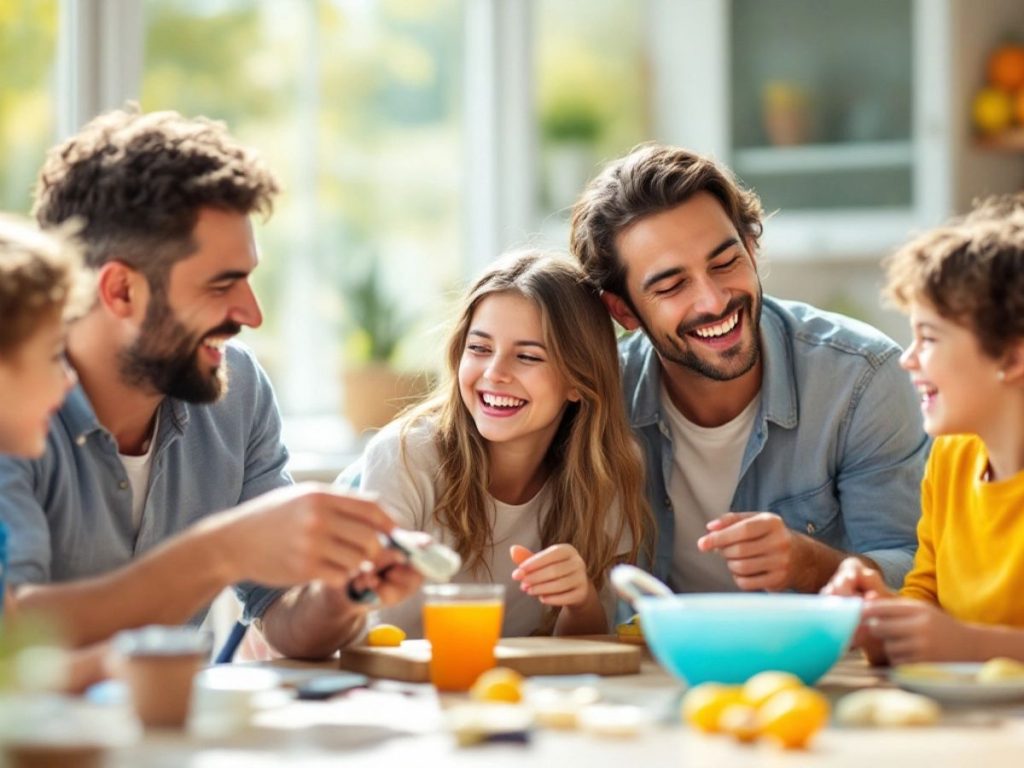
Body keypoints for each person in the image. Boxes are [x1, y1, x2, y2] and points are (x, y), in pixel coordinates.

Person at [0, 107, 420, 660]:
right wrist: (223, 550)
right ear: (122, 290)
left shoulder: (236, 389)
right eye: (223, 285)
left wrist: (344, 593)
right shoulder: (16, 403)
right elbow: (14, 635)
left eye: (249, 277)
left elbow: (285, 616)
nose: (252, 312)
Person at [569, 143, 928, 594]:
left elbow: (915, 571)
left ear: (752, 249)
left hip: (814, 662)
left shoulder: (862, 379)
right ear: (623, 311)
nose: (714, 300)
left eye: (725, 263)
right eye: (672, 285)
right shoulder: (603, 401)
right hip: (654, 661)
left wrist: (812, 564)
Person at [343, 251, 651, 637]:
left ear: (578, 380)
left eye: (527, 356)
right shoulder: (405, 456)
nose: (494, 373)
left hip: (517, 693)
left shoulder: (605, 474)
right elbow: (356, 623)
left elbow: (583, 652)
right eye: (480, 348)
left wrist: (580, 599)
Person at [824, 195, 1024, 665]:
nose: (906, 359)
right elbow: (928, 595)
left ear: (1013, 356)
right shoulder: (951, 457)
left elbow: (958, 642)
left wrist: (973, 647)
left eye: (929, 338)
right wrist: (882, 617)